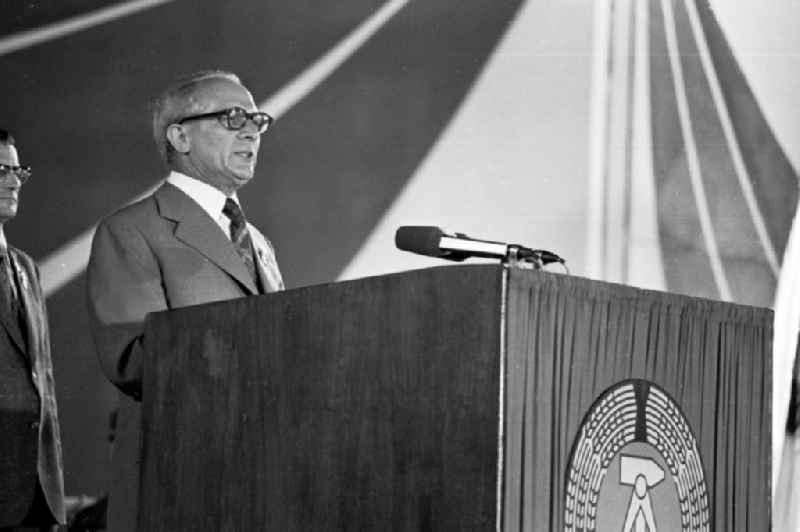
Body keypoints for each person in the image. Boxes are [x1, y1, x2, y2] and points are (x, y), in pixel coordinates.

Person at [86, 70, 284, 532]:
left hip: (263, 474)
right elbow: (132, 360)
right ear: (180, 135)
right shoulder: (132, 229)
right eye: (233, 117)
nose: (252, 130)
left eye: (257, 119)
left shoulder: (258, 241)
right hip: (181, 474)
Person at [0, 129, 65, 531]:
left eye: (16, 170)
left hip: (35, 492)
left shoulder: (26, 268)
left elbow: (43, 383)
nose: (11, 181)